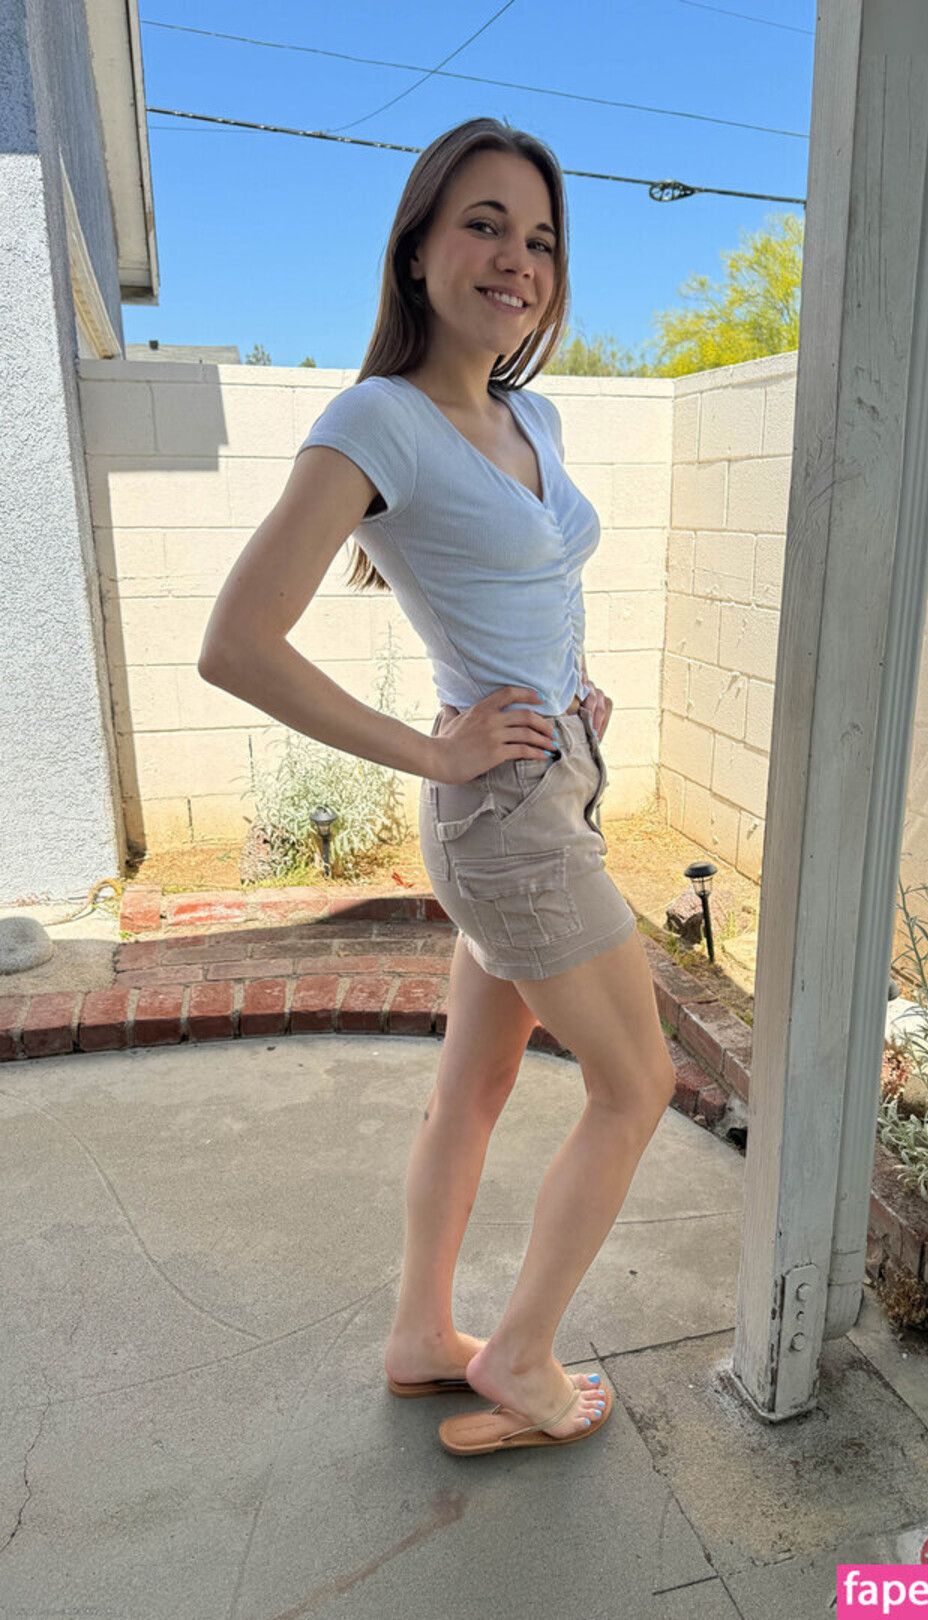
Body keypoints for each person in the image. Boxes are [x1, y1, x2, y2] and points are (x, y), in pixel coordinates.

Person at [199, 116, 678, 1456]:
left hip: (548, 786)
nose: (516, 258)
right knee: (637, 1086)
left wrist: (570, 689)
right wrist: (439, 749)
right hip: (507, 821)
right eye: (483, 224)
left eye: (540, 238)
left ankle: (424, 1336)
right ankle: (519, 1359)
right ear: (415, 250)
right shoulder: (379, 422)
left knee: (474, 1087)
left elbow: (532, 577)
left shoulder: (533, 413)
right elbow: (236, 643)